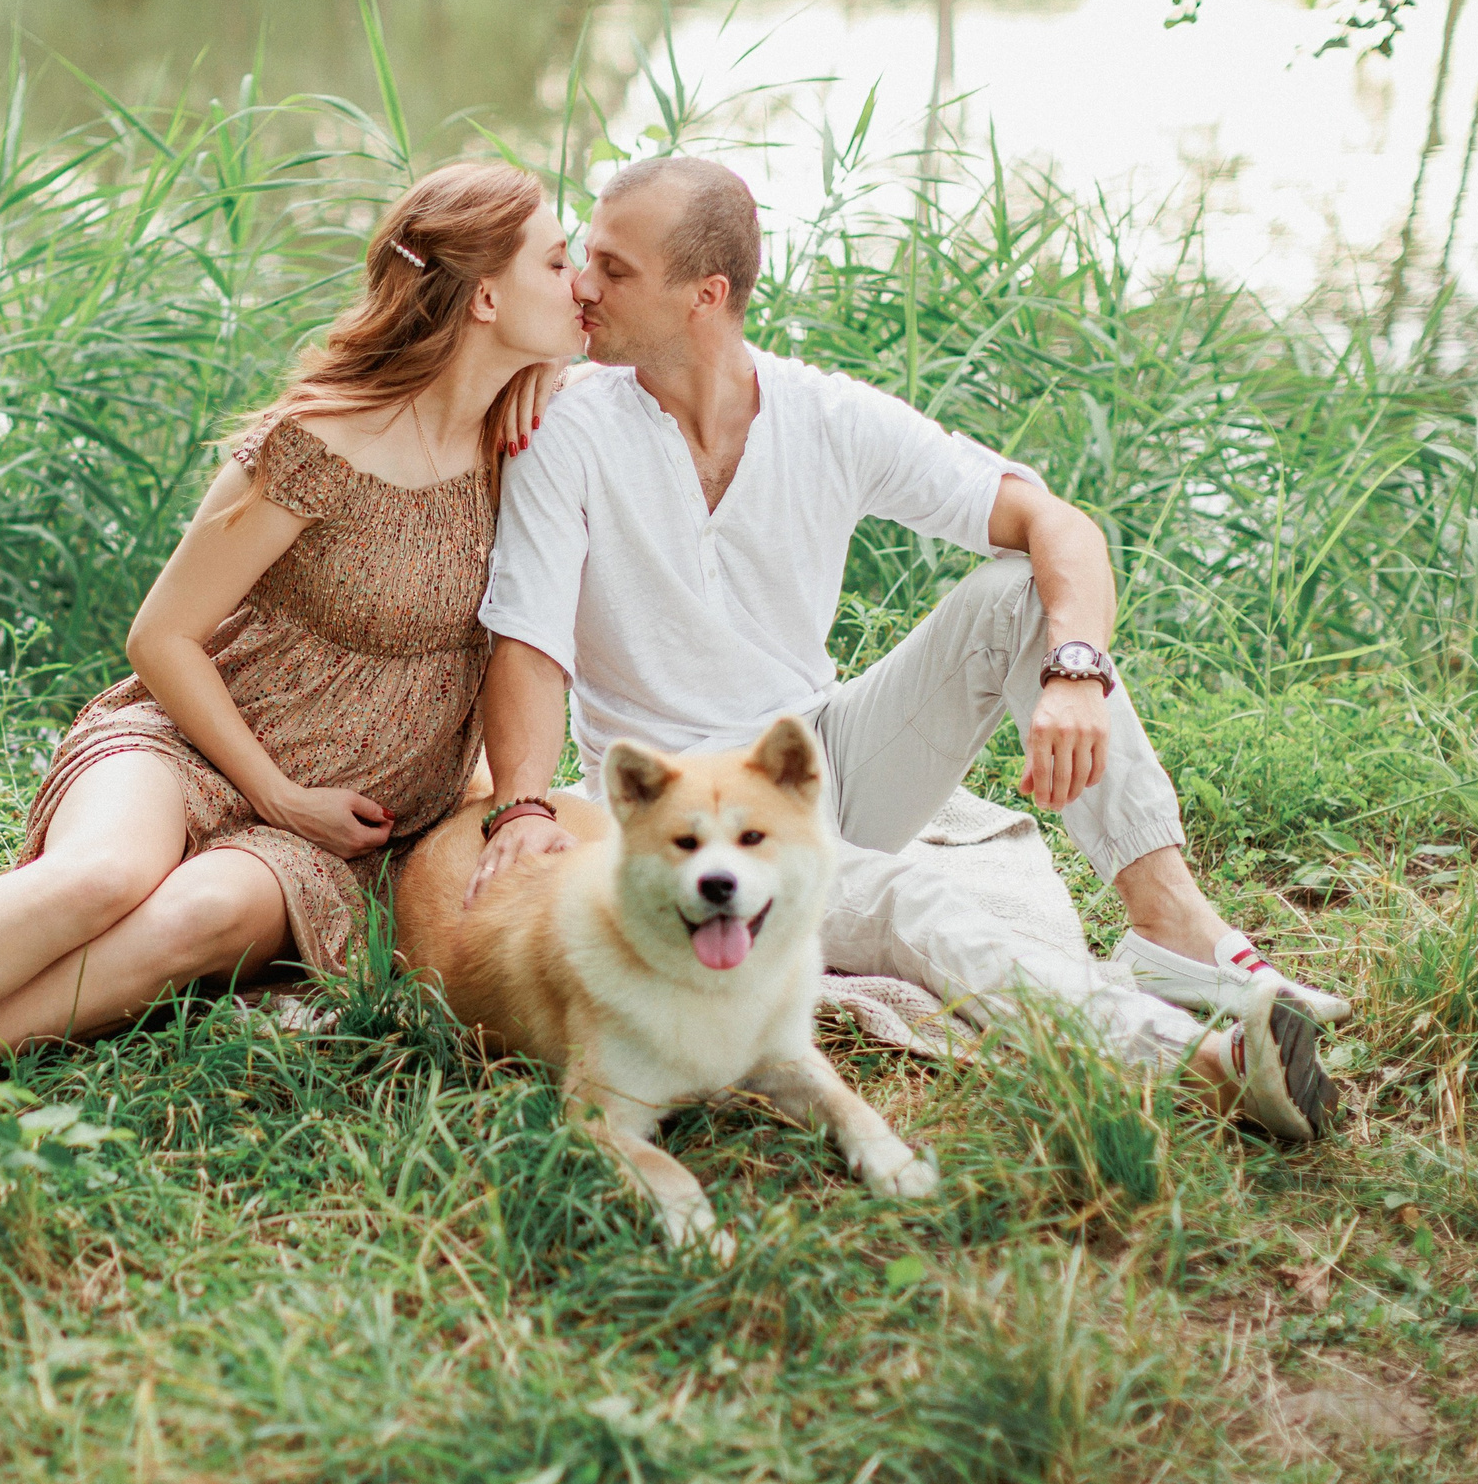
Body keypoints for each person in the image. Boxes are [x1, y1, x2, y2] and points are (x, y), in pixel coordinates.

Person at [0, 162, 586, 1179]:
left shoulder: (541, 437)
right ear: (483, 299)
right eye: (558, 264)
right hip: (196, 747)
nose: (581, 286)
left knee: (196, 916)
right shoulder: (317, 442)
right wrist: (276, 792)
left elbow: (654, 377)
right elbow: (161, 636)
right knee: (103, 876)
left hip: (346, 836)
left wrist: (554, 373)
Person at [465, 155, 1342, 1142]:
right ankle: (1197, 1065)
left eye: (612, 269)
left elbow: (1058, 528)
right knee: (910, 901)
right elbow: (528, 640)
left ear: (703, 297)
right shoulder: (563, 428)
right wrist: (524, 807)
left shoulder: (826, 417)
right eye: (581, 259)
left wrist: (1076, 672)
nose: (580, 284)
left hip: (824, 750)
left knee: (1017, 592)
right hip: (686, 806)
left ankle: (1168, 924)